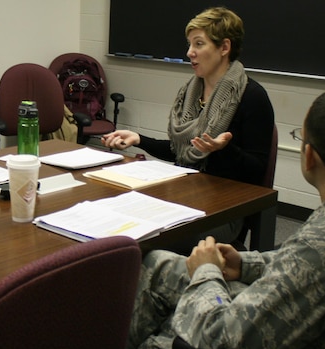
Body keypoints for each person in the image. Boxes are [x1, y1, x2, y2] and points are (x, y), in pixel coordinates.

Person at [124, 89, 325, 349]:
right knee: (158, 263)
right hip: (317, 321)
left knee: (153, 348)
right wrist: (246, 263)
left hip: (270, 344)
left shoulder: (320, 248)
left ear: (310, 156)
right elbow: (306, 264)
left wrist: (205, 271)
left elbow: (224, 341)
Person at [101, 7, 274, 244]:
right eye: (190, 44)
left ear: (224, 47)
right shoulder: (191, 92)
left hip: (225, 210)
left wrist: (224, 150)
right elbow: (181, 149)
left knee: (146, 238)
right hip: (185, 194)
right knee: (121, 217)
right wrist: (139, 139)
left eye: (199, 44)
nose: (189, 52)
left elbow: (257, 169)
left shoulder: (252, 97)